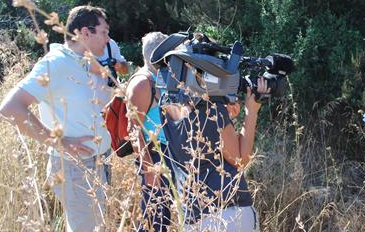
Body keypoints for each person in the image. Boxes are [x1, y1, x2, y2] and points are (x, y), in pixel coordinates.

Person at [0, 5, 113, 232]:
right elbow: (10, 108)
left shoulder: (82, 62)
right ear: (84, 33)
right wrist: (57, 141)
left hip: (99, 162)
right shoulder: (55, 63)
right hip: (76, 169)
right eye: (104, 32)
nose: (108, 39)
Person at [161, 67, 268, 231]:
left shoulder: (166, 102)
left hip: (192, 216)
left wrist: (227, 119)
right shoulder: (212, 108)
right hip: (228, 213)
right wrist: (251, 110)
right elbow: (240, 160)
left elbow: (194, 137)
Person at [125, 31, 172, 232]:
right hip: (154, 155)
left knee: (163, 216)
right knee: (155, 219)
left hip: (167, 154)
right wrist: (148, 168)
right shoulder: (143, 83)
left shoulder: (160, 78)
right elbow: (133, 129)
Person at [94, 38, 129, 107]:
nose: (106, 36)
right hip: (89, 104)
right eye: (103, 32)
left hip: (111, 105)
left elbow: (125, 70)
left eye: (107, 31)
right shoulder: (79, 45)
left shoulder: (110, 43)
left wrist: (117, 64)